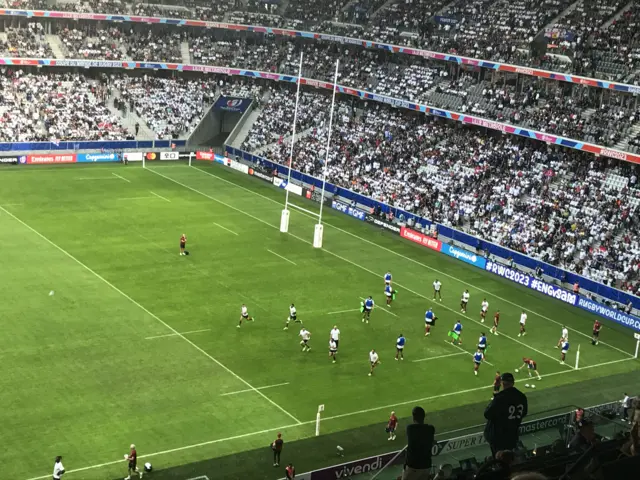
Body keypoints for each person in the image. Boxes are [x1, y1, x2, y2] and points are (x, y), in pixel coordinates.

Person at [484, 372, 528, 457]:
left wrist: (496, 389)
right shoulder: (522, 396)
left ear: (502, 383)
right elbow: (524, 413)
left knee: (499, 458)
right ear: (513, 383)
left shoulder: (500, 398)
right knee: (510, 457)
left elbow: (487, 414)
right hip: (512, 435)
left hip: (498, 436)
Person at [402, 406, 435, 480]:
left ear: (413, 417)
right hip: (426, 466)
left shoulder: (410, 428)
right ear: (424, 416)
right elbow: (431, 442)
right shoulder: (431, 429)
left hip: (413, 466)